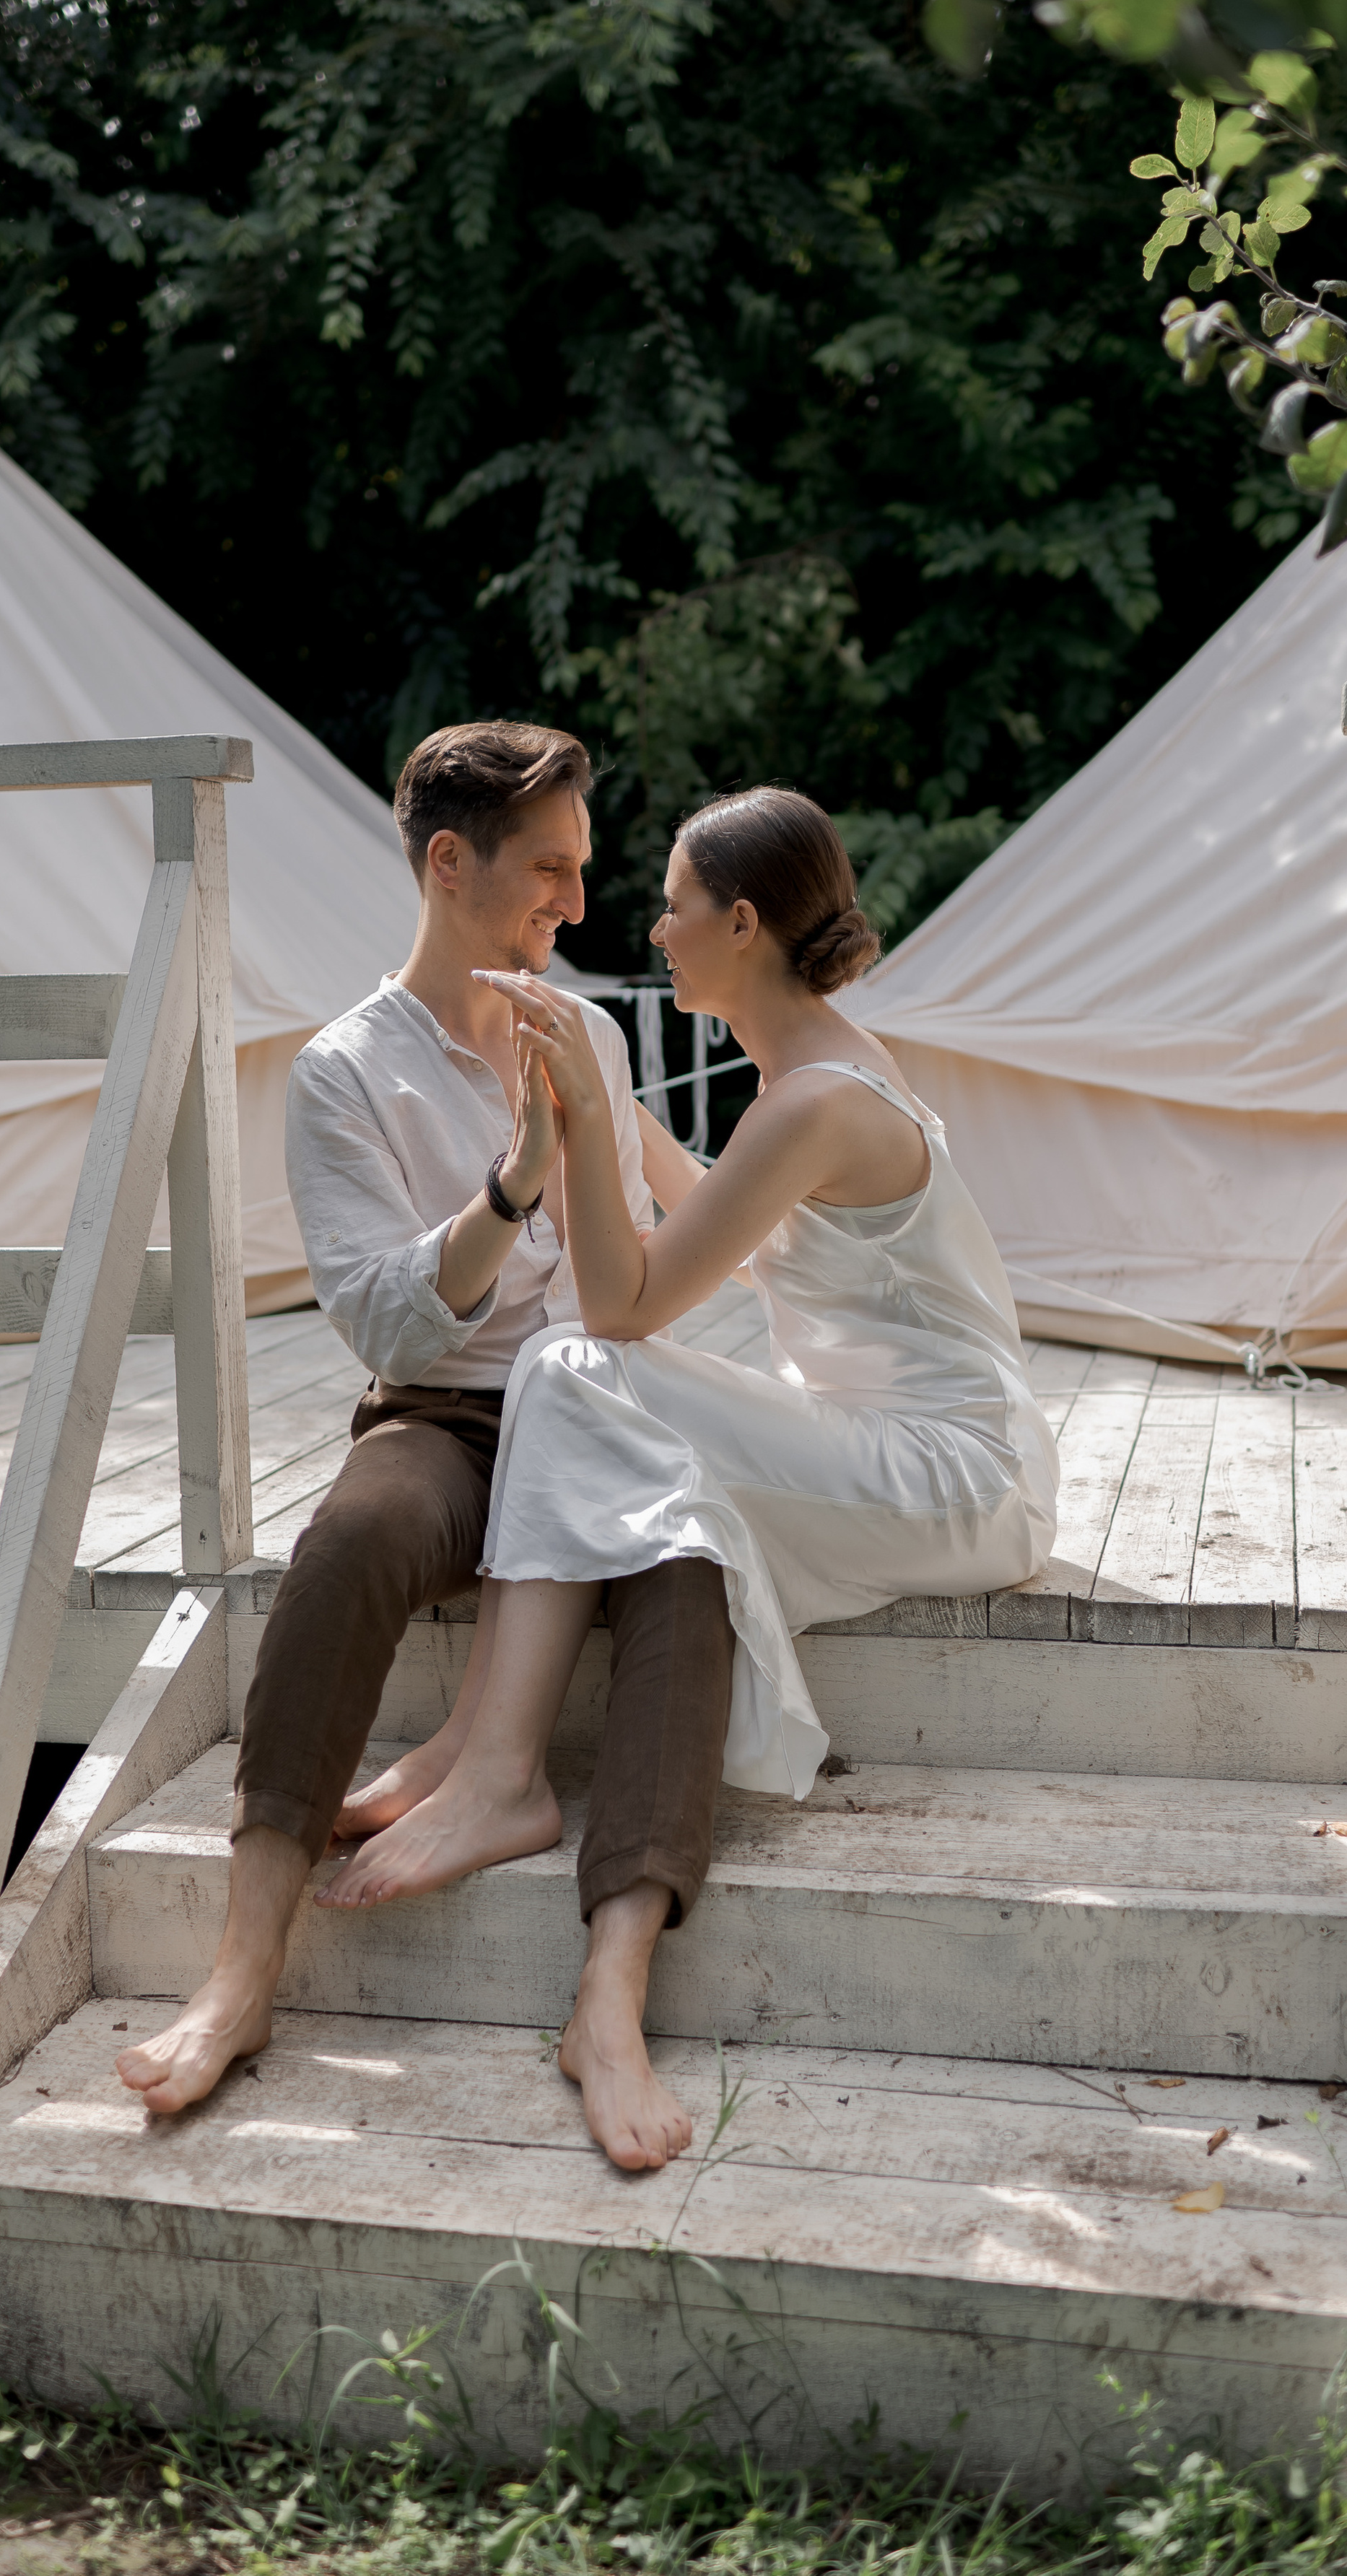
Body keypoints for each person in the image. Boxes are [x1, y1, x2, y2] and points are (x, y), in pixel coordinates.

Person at [116, 722, 734, 2173]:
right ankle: (243, 1969)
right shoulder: (343, 1072)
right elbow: (391, 1327)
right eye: (548, 870)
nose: (576, 907)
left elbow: (657, 1233)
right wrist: (515, 1177)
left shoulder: (587, 1028)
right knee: (351, 1535)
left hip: (601, 1394)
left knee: (690, 1575)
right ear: (447, 863)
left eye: (584, 872)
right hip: (449, 1411)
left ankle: (611, 1993)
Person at [334, 785, 1060, 1924]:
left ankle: (490, 1770)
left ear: (743, 923)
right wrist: (599, 1102)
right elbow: (707, 1204)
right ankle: (472, 1749)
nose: (655, 932)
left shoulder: (812, 1104)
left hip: (953, 1478)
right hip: (941, 1454)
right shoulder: (813, 1077)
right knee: (577, 1377)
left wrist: (576, 1097)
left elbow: (625, 1306)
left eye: (676, 909)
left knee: (575, 1364)